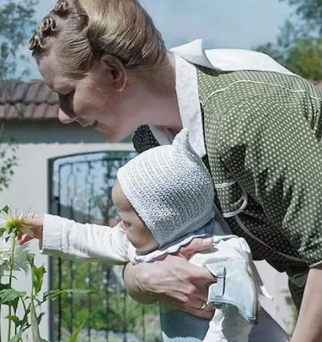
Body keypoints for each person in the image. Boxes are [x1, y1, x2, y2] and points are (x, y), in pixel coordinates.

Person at [26, 0, 322, 341]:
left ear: (113, 71)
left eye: (67, 92)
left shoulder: (248, 112)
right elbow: (147, 246)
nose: (65, 113)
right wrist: (141, 280)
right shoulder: (151, 140)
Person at [23, 129, 269, 342]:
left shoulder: (218, 254)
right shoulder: (158, 241)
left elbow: (233, 322)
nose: (120, 226)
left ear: (161, 220)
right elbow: (96, 239)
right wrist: (47, 229)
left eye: (127, 221)